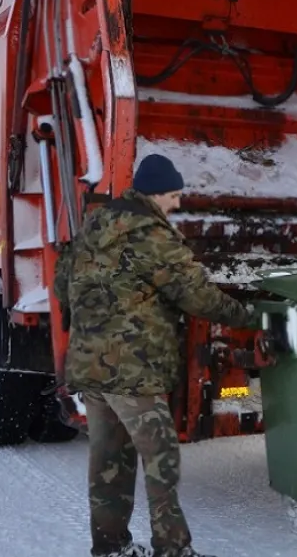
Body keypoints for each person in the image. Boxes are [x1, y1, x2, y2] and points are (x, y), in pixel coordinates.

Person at [54, 153, 254, 557]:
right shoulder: (152, 236)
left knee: (109, 462)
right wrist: (250, 316)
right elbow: (198, 296)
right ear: (155, 194)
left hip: (91, 369)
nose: (177, 205)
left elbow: (62, 287)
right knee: (161, 458)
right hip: (131, 372)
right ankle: (173, 549)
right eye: (174, 196)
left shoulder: (94, 225)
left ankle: (110, 547)